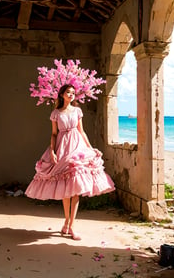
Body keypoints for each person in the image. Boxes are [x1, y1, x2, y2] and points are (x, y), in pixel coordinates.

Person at [25, 84, 115, 240]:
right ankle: (66, 222)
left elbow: (81, 131)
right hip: (62, 147)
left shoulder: (77, 111)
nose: (71, 95)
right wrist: (52, 151)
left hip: (77, 146)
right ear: (62, 94)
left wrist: (90, 148)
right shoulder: (56, 113)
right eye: (68, 92)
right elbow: (54, 134)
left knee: (76, 190)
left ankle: (71, 226)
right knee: (66, 190)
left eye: (73, 93)